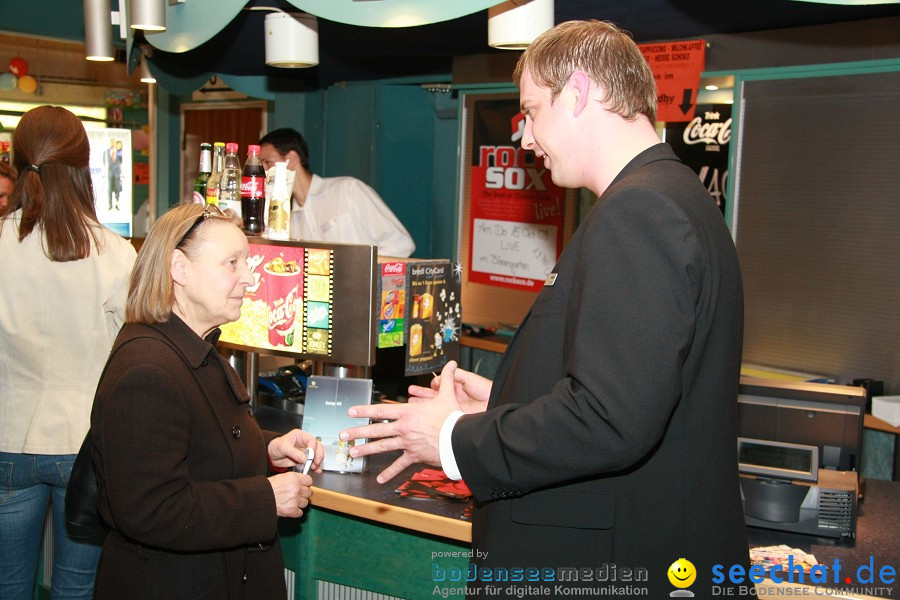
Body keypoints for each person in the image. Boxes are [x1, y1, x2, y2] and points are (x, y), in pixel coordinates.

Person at [340, 20, 752, 599]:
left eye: (531, 112)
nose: (525, 138)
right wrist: (510, 399)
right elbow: (639, 388)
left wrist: (456, 440)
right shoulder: (677, 197)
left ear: (580, 93)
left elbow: (611, 419)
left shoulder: (639, 213)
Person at [89, 202, 325, 599]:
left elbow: (200, 440)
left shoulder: (194, 349)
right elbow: (152, 509)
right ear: (179, 269)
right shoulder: (146, 370)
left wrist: (269, 446)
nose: (249, 278)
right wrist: (264, 498)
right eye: (231, 263)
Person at [0, 105, 137, 599]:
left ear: (17, 163)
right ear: (84, 167)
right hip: (83, 443)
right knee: (77, 589)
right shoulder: (115, 253)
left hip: (6, 439)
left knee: (7, 586)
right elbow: (134, 354)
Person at [258, 127, 415, 257]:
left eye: (267, 162)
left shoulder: (347, 190)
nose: (264, 171)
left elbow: (400, 243)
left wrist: (364, 274)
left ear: (291, 159)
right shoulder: (287, 218)